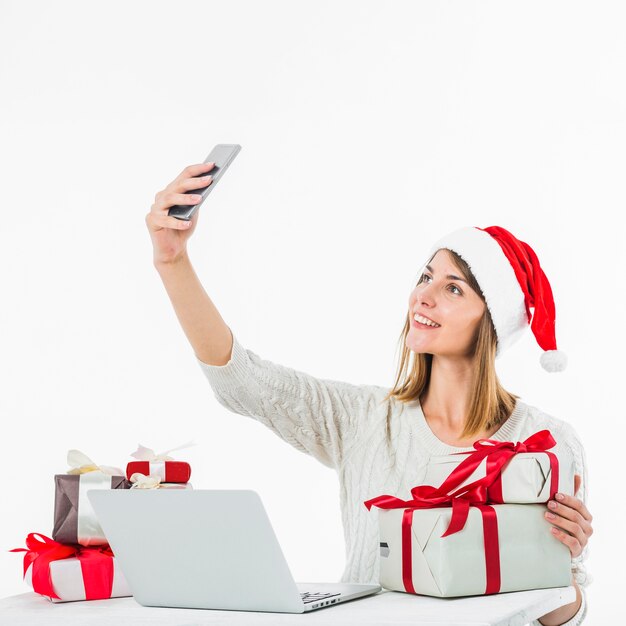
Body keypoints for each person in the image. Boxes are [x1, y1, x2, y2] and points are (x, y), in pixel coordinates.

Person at [146, 162, 593, 625]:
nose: (424, 295)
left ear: (492, 321)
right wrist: (172, 260)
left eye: (453, 288)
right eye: (426, 276)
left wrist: (559, 571)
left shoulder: (546, 441)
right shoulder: (363, 421)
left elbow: (562, 618)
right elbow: (243, 381)